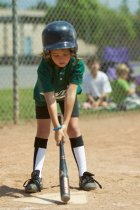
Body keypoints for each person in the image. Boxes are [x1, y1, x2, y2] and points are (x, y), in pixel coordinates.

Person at [23, 21, 102, 193]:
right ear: (47, 53)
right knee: (43, 130)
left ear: (73, 51)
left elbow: (71, 94)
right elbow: (50, 99)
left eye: (65, 54)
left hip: (67, 96)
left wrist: (64, 125)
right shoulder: (44, 68)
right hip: (46, 98)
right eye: (56, 54)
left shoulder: (77, 65)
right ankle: (36, 175)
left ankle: (84, 174)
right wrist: (57, 127)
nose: (61, 59)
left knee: (73, 127)